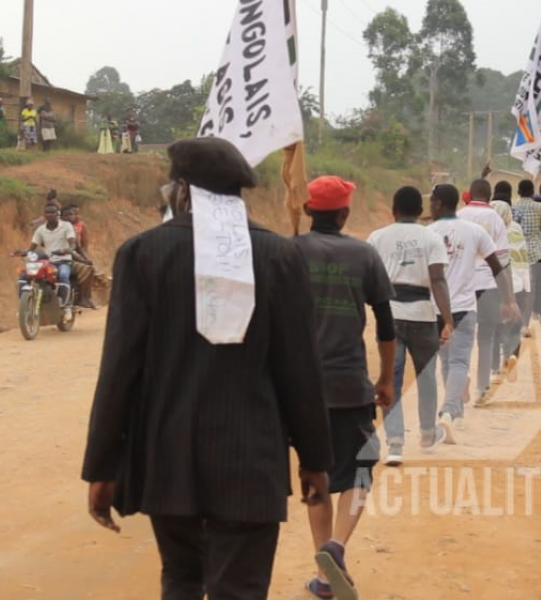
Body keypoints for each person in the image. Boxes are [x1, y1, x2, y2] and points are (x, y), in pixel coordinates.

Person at [81, 137, 333, 600]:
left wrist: (102, 466)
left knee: (180, 579)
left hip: (167, 456)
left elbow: (119, 371)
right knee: (239, 589)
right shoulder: (280, 256)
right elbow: (300, 369)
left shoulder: (142, 254)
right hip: (251, 461)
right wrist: (315, 460)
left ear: (182, 192)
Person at [294, 175, 395, 600]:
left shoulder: (287, 252)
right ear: (345, 213)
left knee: (313, 474)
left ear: (307, 211)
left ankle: (323, 572)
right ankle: (335, 547)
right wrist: (387, 378)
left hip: (300, 389)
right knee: (359, 472)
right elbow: (386, 324)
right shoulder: (364, 254)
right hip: (350, 384)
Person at [367, 186, 453, 465]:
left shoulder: (377, 237)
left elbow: (369, 278)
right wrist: (448, 320)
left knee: (390, 377)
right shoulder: (431, 238)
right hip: (423, 315)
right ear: (420, 211)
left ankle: (394, 444)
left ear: (393, 210)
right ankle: (428, 432)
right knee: (426, 377)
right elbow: (438, 280)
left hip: (389, 316)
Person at [428, 184, 520, 440]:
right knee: (459, 361)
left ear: (437, 203)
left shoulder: (428, 233)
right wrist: (508, 299)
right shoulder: (475, 231)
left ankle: (452, 412)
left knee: (447, 362)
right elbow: (497, 266)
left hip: (436, 309)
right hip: (465, 308)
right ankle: (451, 413)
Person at [458, 179, 511, 402]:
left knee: (462, 338)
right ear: (489, 197)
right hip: (489, 285)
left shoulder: (459, 216)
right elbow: (503, 259)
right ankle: (482, 387)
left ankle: (464, 376)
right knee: (486, 337)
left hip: (463, 286)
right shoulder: (496, 220)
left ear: (471, 194)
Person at [490, 200, 529, 383]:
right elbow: (523, 255)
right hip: (518, 282)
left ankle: (494, 367)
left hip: (497, 284)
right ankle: (511, 355)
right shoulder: (516, 229)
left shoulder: (491, 231)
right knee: (514, 323)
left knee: (495, 327)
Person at [25, 204, 76, 319]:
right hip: (49, 262)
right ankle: (25, 306)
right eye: (48, 213)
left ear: (57, 214)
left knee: (63, 275)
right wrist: (24, 252)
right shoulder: (41, 229)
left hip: (64, 261)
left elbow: (72, 242)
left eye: (53, 212)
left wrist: (68, 249)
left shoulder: (66, 226)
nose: (50, 215)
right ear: (44, 215)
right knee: (27, 276)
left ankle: (66, 305)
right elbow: (33, 246)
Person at [513, 180, 541, 330]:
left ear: (519, 191)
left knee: (517, 287)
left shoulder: (514, 207)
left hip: (517, 252)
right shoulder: (540, 207)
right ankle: (524, 325)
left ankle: (514, 322)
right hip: (535, 252)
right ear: (532, 191)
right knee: (531, 288)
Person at [61, 205, 97, 309]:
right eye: (68, 214)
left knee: (89, 268)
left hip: (73, 255)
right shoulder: (56, 226)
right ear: (61, 216)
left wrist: (86, 259)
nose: (72, 217)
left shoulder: (78, 227)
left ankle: (84, 297)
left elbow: (81, 247)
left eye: (75, 214)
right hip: (61, 257)